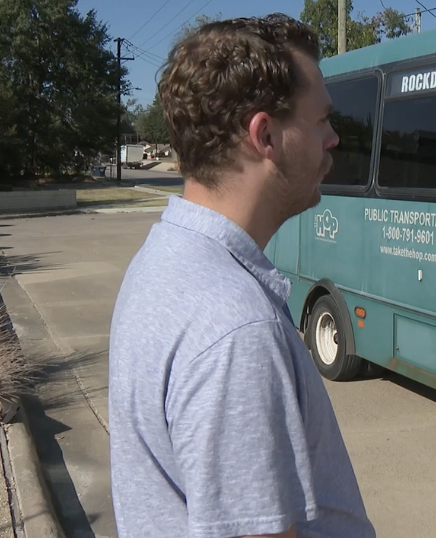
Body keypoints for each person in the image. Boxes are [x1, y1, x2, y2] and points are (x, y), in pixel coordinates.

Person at [108, 14, 376, 538]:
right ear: (266, 135)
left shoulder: (164, 258)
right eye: (321, 120)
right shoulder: (235, 330)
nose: (334, 139)